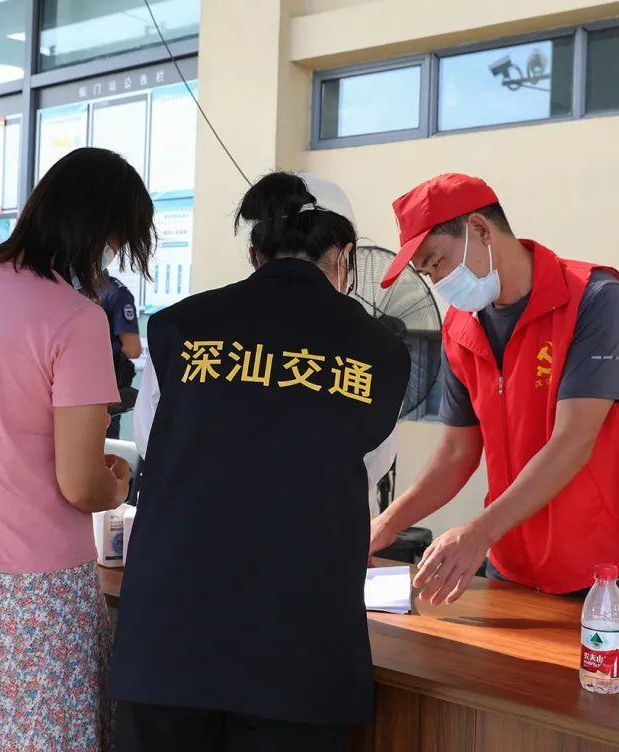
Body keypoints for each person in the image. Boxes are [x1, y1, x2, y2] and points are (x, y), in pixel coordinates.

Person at [108, 172, 411, 752]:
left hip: (170, 638)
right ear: (343, 256)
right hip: (298, 651)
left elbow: (154, 445)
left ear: (255, 252)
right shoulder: (380, 352)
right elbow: (368, 469)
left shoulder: (179, 328)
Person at [0, 147, 154, 752]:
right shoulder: (76, 319)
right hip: (42, 597)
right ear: (98, 230)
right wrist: (117, 482)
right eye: (116, 242)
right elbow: (80, 483)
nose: (109, 259)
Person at [370, 173, 619, 610]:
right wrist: (385, 524)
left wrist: (478, 533)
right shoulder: (460, 328)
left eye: (438, 262)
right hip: (515, 561)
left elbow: (572, 441)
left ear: (479, 229)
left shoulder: (593, 298)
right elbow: (457, 453)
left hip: (613, 565)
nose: (438, 282)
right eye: (428, 273)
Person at [96, 269, 142, 439]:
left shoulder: (115, 294)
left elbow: (132, 348)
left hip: (105, 387)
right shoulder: (71, 289)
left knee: (104, 443)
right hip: (75, 386)